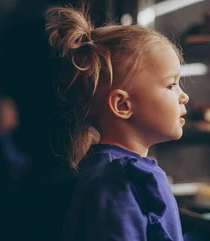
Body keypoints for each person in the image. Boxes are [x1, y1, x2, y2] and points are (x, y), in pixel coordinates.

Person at [44, 6, 189, 241]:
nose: (184, 96)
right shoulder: (121, 179)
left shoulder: (112, 169)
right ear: (122, 105)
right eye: (171, 85)